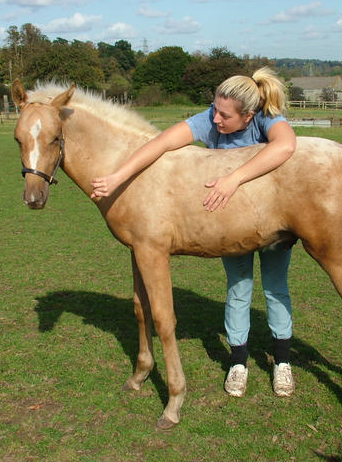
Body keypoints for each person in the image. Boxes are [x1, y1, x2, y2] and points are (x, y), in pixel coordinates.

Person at [91, 67, 297, 398]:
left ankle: (282, 361)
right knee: (239, 289)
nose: (216, 120)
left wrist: (234, 178)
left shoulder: (267, 117)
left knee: (275, 289)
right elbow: (159, 143)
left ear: (248, 116)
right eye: (215, 110)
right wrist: (118, 176)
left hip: (272, 218)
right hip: (232, 224)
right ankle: (239, 362)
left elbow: (286, 147)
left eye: (225, 116)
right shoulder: (210, 118)